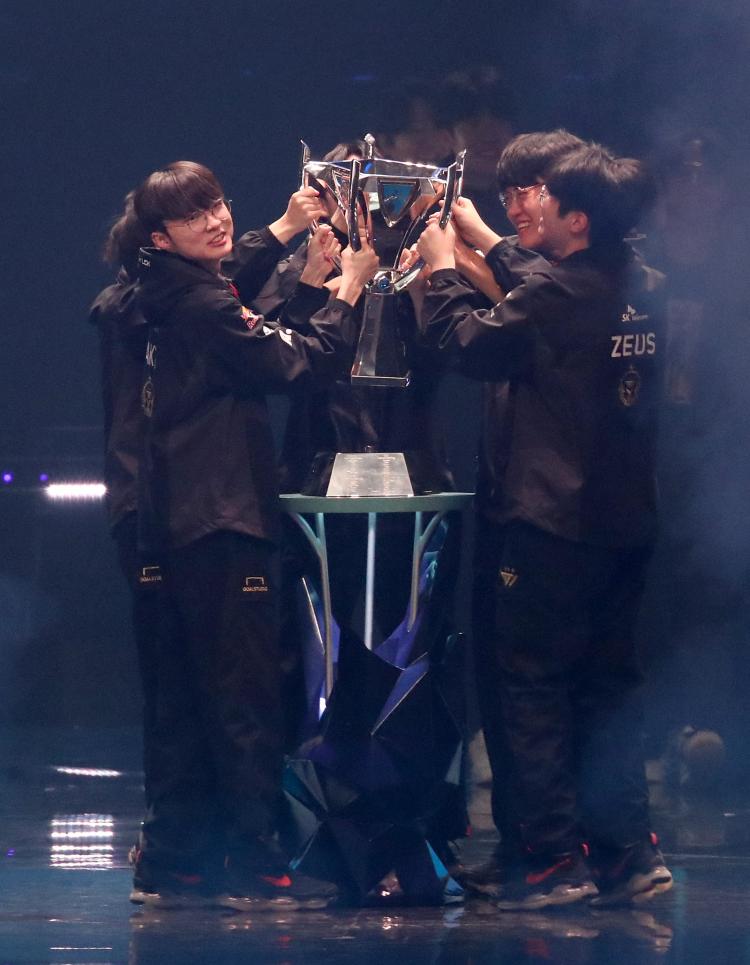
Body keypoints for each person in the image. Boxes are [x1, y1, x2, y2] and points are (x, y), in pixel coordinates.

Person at [415, 142, 673, 910]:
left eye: (546, 196)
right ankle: (624, 855)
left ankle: (550, 861)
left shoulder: (558, 294)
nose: (533, 205)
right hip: (626, 521)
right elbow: (542, 287)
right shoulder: (647, 284)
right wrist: (487, 242)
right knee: (607, 692)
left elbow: (466, 342)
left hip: (551, 521)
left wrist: (441, 266)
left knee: (530, 689)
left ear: (578, 219)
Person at [119, 159, 377, 911]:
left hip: (164, 524)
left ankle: (174, 860)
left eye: (218, 204)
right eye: (194, 215)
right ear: (160, 237)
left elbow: (246, 328)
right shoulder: (202, 302)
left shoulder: (146, 296)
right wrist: (348, 287)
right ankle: (255, 865)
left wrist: (301, 271)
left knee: (177, 703)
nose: (216, 221)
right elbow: (293, 363)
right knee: (244, 698)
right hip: (223, 520)